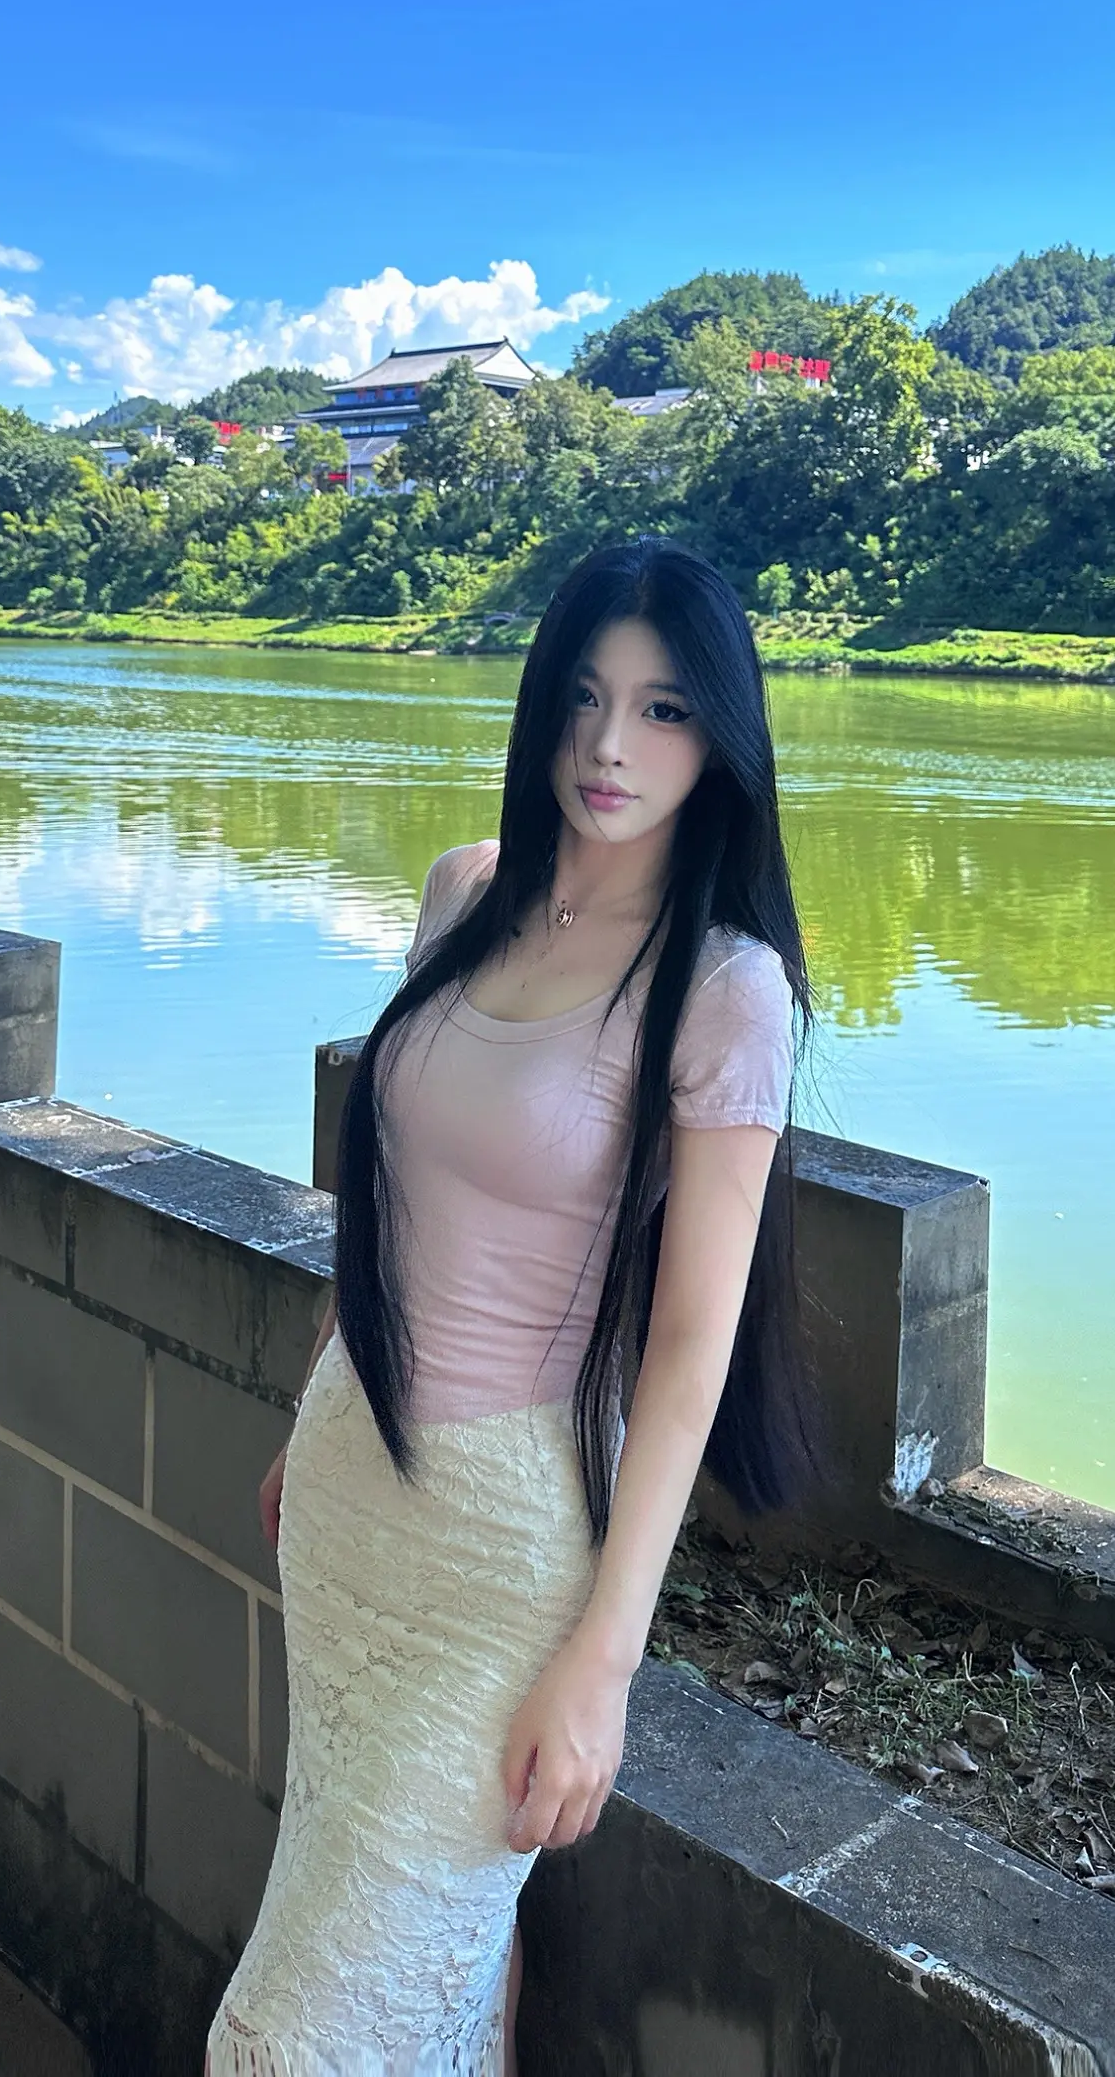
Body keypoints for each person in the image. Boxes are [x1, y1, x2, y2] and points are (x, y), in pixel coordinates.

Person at [205, 537, 820, 2077]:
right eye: (587, 697)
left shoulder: (725, 989)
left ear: (721, 738)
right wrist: (316, 1406)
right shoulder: (464, 893)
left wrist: (605, 1657)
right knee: (440, 1977)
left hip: (502, 1554)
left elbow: (688, 1349)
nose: (612, 745)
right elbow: (396, 1196)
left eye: (665, 709)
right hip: (347, 1491)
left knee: (285, 2039)